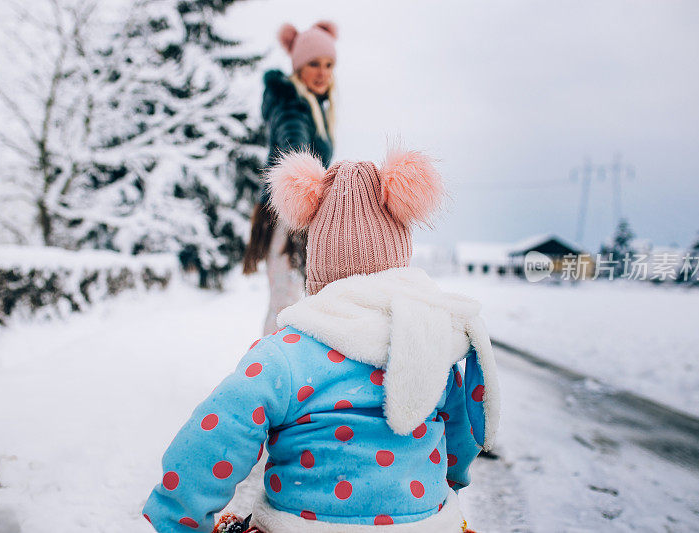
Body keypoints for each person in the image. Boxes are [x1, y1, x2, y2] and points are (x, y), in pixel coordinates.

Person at [142, 148, 500, 532]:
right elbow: (460, 441)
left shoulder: (285, 356)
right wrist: (443, 489)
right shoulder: (432, 347)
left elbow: (215, 437)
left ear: (317, 264)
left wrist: (179, 518)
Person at [243, 21, 337, 336]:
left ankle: (275, 372)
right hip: (288, 215)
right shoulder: (293, 107)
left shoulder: (310, 105)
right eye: (313, 64)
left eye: (328, 64)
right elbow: (293, 152)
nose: (322, 72)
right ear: (298, 66)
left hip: (292, 213)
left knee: (290, 302)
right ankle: (269, 376)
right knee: (287, 304)